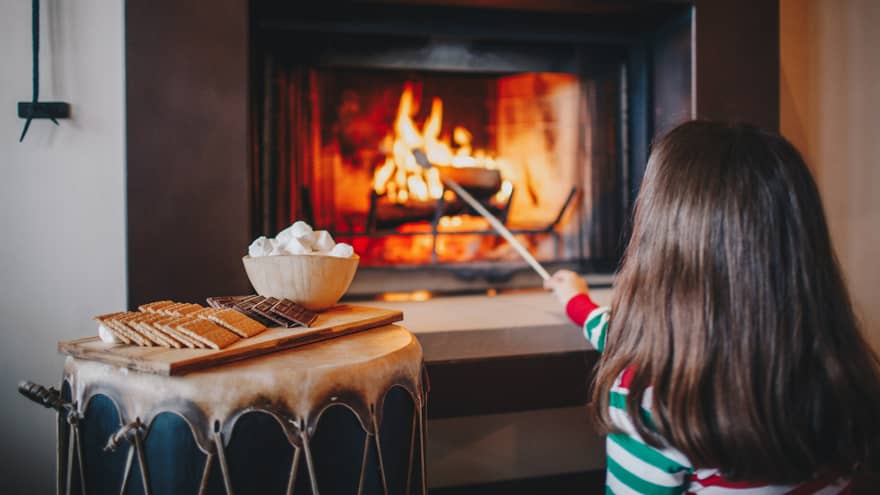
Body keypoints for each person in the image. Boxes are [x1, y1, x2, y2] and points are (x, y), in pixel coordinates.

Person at [545, 121, 880, 494]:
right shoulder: (833, 371)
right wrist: (577, 302)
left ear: (663, 247)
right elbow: (623, 336)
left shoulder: (650, 402)